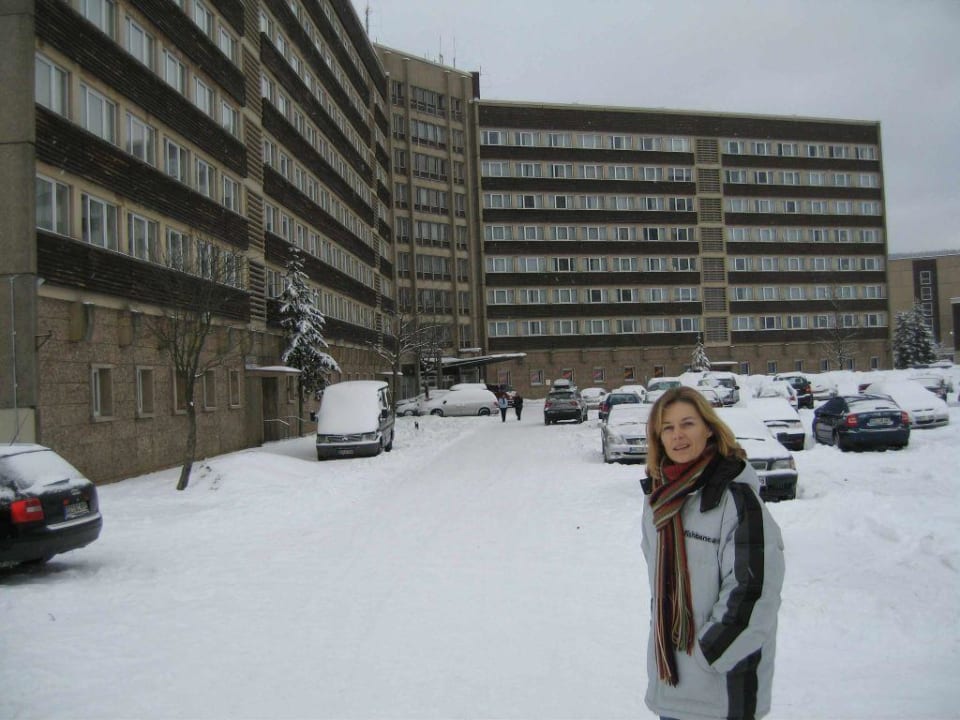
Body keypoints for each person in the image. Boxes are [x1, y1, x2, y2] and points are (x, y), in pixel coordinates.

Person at [640, 386, 784, 720]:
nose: (678, 436)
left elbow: (753, 592)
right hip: (672, 687)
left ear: (708, 428)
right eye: (668, 427)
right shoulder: (658, 503)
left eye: (687, 424)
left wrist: (709, 655)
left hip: (722, 691)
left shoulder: (735, 499)